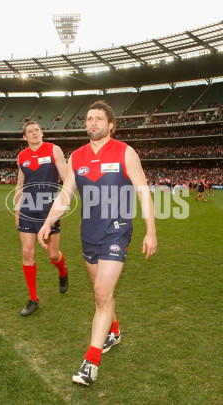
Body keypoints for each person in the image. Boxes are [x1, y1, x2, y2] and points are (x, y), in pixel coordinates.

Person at [38, 100, 157, 386]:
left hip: (116, 232)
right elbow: (65, 195)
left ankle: (90, 362)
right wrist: (47, 222)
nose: (92, 123)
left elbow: (143, 193)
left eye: (98, 119)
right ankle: (114, 331)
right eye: (88, 119)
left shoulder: (125, 153)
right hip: (89, 234)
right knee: (100, 292)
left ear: (110, 124)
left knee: (103, 293)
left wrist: (150, 230)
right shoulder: (76, 157)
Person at [14, 121, 70, 317]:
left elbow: (66, 179)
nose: (34, 133)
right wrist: (17, 211)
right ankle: (33, 299)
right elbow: (20, 186)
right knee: (27, 253)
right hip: (28, 208)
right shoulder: (21, 156)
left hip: (49, 208)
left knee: (53, 255)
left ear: (42, 132)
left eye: (37, 129)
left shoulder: (54, 150)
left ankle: (62, 272)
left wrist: (61, 203)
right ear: (25, 137)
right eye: (30, 131)